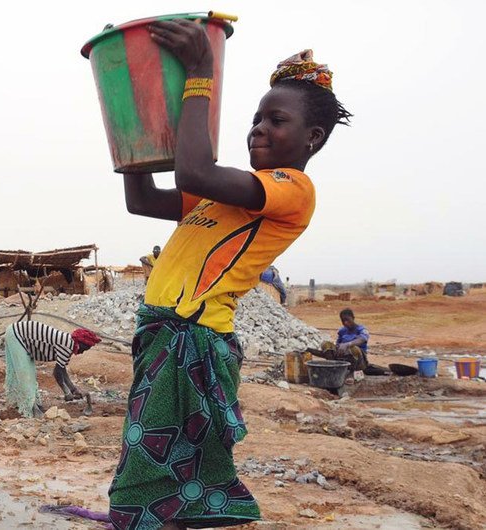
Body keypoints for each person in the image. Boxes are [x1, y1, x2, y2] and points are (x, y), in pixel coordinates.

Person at [110, 19, 352, 530]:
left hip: (193, 339)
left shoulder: (292, 189)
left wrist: (201, 74)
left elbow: (193, 170)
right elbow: (143, 200)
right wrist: (131, 117)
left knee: (147, 471)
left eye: (275, 120)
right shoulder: (222, 194)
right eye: (255, 117)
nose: (258, 128)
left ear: (312, 137)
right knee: (171, 470)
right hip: (164, 333)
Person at [3, 320, 101, 417]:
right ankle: (31, 410)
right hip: (17, 334)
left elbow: (62, 370)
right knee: (25, 374)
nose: (82, 352)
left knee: (30, 374)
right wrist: (67, 392)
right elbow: (57, 372)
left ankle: (31, 405)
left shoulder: (69, 343)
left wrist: (73, 389)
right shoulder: (68, 344)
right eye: (84, 349)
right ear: (80, 344)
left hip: (22, 335)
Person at [319, 308, 386, 376]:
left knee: (353, 348)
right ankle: (332, 367)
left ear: (353, 318)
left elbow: (362, 339)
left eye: (347, 320)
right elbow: (338, 344)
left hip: (359, 361)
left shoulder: (361, 329)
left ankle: (352, 373)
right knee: (326, 344)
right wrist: (337, 348)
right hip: (343, 358)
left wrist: (348, 344)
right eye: (343, 321)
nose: (345, 323)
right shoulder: (342, 331)